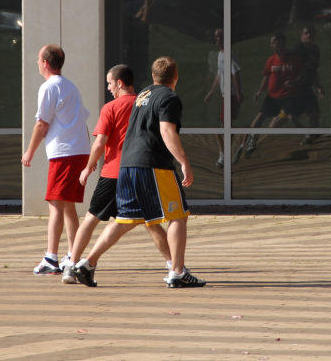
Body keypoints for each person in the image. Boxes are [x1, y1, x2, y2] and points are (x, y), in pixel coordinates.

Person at [70, 56, 205, 288]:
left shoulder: (143, 95)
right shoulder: (169, 97)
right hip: (153, 165)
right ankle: (178, 272)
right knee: (178, 216)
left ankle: (86, 264)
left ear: (153, 76)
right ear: (176, 76)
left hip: (127, 166)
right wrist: (184, 161)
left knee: (125, 220)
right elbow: (166, 131)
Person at [61, 64, 172, 284]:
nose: (109, 88)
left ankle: (72, 266)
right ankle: (174, 265)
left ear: (119, 83)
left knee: (92, 218)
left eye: (110, 83)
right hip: (140, 171)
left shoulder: (110, 108)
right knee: (151, 221)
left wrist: (88, 167)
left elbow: (100, 142)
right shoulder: (144, 105)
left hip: (113, 173)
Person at [22, 44, 91, 275]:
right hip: (78, 151)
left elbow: (42, 122)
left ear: (45, 63)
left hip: (65, 153)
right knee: (68, 206)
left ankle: (51, 258)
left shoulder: (49, 87)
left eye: (38, 59)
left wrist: (29, 151)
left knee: (55, 206)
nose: (37, 63)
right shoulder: (70, 87)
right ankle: (73, 255)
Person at [235, 32, 303, 162]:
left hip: (288, 97)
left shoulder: (293, 59)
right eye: (271, 42)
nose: (271, 45)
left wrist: (294, 82)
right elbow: (266, 77)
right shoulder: (271, 60)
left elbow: (301, 75)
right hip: (272, 97)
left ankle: (306, 135)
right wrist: (260, 91)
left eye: (273, 42)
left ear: (280, 42)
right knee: (259, 118)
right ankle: (251, 141)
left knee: (288, 118)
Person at [203, 27, 242, 167]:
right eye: (216, 36)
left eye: (220, 36)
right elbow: (219, 75)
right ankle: (225, 154)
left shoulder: (229, 55)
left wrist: (237, 93)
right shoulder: (220, 55)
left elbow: (235, 73)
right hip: (225, 95)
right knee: (225, 127)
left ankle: (223, 155)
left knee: (222, 128)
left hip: (230, 95)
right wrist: (211, 92)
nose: (217, 39)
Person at [293, 25, 325, 141]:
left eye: (311, 33)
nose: (309, 35)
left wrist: (318, 86)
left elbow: (312, 70)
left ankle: (311, 134)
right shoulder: (298, 50)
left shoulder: (315, 50)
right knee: (289, 114)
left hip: (306, 84)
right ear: (301, 36)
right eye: (306, 33)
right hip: (294, 85)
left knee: (314, 110)